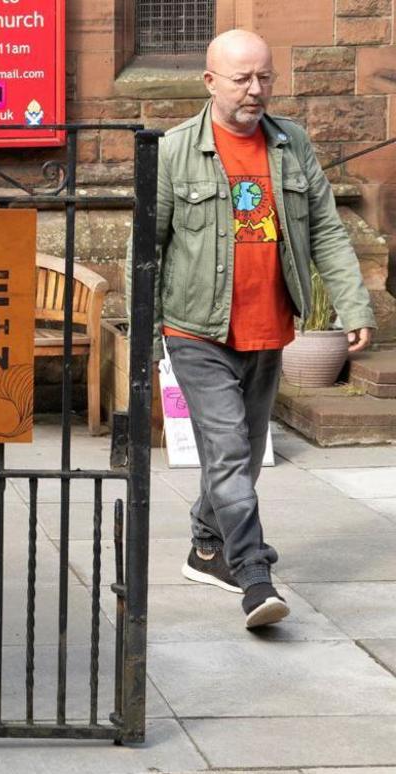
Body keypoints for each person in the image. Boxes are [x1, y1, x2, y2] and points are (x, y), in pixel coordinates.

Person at [152, 29, 377, 628]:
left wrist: (354, 304)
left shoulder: (290, 144)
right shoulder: (175, 150)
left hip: (269, 329)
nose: (256, 90)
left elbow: (326, 228)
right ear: (209, 82)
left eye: (265, 78)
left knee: (244, 458)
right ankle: (253, 572)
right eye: (242, 79)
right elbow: (146, 246)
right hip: (197, 330)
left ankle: (206, 547)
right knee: (227, 454)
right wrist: (151, 335)